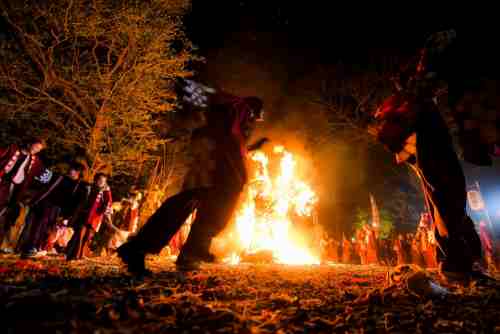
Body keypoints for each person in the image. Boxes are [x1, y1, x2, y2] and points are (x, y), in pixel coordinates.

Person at [118, 81, 268, 274]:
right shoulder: (240, 106)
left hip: (212, 162)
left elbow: (229, 135)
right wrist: (187, 87)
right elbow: (215, 100)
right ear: (255, 110)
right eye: (256, 118)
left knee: (192, 203)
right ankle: (186, 250)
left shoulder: (235, 118)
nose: (254, 123)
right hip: (214, 164)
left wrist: (251, 149)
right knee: (209, 204)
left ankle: (183, 253)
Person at [371, 30, 485, 281]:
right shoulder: (419, 96)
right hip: (430, 151)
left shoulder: (422, 98)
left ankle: (457, 261)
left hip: (429, 150)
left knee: (446, 196)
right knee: (447, 196)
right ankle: (457, 264)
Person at [18, 162, 87, 257]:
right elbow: (42, 184)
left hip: (56, 209)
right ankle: (29, 247)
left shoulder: (80, 186)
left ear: (79, 173)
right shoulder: (59, 177)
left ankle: (36, 247)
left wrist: (67, 217)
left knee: (46, 228)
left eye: (74, 170)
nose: (71, 171)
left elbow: (77, 204)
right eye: (71, 169)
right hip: (44, 204)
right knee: (36, 225)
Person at [0, 138, 47, 251]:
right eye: (35, 147)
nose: (36, 150)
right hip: (3, 184)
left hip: (16, 191)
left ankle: (2, 244)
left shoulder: (35, 161)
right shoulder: (12, 149)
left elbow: (44, 176)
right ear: (30, 143)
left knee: (7, 215)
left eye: (39, 149)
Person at [66, 173, 112, 260]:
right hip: (84, 216)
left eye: (103, 181)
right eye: (99, 180)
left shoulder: (105, 192)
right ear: (95, 180)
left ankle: (80, 255)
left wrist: (102, 212)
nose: (101, 182)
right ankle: (73, 255)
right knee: (79, 234)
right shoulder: (89, 188)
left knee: (87, 237)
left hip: (95, 219)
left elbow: (108, 204)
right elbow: (81, 200)